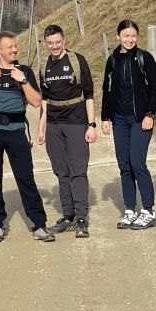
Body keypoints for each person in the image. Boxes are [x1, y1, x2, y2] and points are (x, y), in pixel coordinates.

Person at [0, 31, 54, 243]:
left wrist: (23, 80)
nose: (15, 50)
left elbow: (36, 102)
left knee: (26, 178)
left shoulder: (24, 71)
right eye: (10, 47)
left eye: (15, 46)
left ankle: (39, 225)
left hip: (16, 132)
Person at [35, 25, 96, 238]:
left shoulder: (77, 61)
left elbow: (89, 94)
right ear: (45, 43)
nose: (54, 46)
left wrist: (91, 125)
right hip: (53, 125)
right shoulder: (44, 66)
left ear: (64, 40)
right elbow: (44, 100)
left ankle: (81, 218)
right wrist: (41, 129)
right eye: (50, 43)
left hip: (76, 122)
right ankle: (68, 215)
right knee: (61, 171)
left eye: (58, 42)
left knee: (78, 171)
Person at [100, 19, 156, 230]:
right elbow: (107, 90)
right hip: (119, 120)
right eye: (126, 36)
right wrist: (105, 118)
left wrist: (150, 114)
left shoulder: (145, 58)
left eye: (133, 36)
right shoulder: (112, 60)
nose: (130, 39)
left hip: (139, 119)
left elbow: (155, 88)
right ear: (118, 36)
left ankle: (149, 211)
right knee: (124, 165)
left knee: (137, 163)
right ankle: (130, 210)